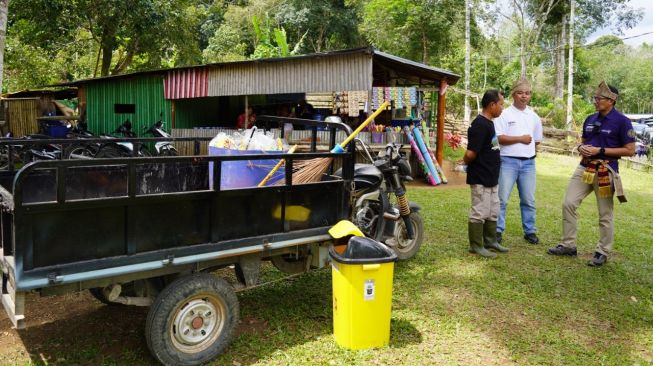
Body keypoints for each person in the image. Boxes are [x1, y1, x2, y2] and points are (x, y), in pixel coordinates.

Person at [547, 81, 636, 267]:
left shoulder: (622, 121)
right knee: (568, 203)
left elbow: (629, 150)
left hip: (605, 170)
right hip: (585, 168)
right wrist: (581, 147)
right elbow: (584, 142)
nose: (595, 101)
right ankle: (568, 245)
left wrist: (600, 150)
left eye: (599, 98)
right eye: (594, 98)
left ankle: (602, 251)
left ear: (611, 100)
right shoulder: (589, 119)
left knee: (605, 213)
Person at [494, 79, 543, 246]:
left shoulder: (534, 117)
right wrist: (520, 139)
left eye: (527, 93)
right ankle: (497, 230)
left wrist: (528, 150)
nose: (524, 96)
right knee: (502, 199)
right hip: (508, 161)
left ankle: (530, 231)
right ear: (513, 94)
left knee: (528, 199)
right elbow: (499, 138)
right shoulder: (504, 114)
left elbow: (536, 141)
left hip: (528, 164)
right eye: (520, 93)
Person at [464, 89, 508, 258]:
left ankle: (490, 241)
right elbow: (470, 153)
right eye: (501, 104)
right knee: (480, 210)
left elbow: (492, 146)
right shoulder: (480, 125)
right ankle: (476, 245)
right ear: (492, 105)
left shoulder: (490, 123)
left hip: (491, 176)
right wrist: (463, 162)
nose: (502, 108)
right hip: (480, 177)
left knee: (492, 209)